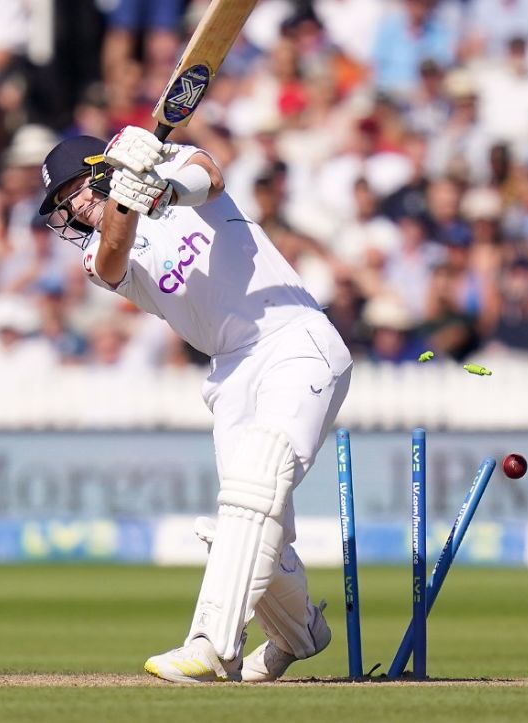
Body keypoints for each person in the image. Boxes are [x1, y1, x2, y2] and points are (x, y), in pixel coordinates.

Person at [39, 127, 352, 683]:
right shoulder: (99, 245)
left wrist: (158, 187)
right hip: (230, 374)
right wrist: (123, 202)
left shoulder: (167, 163)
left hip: (295, 338)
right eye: (67, 206)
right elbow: (112, 259)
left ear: (100, 167)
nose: (76, 210)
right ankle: (301, 632)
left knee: (255, 486)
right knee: (251, 519)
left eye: (76, 192)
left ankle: (211, 645)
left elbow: (210, 175)